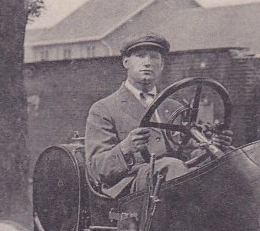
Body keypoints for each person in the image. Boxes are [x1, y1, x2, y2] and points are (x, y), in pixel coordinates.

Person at [85, 33, 232, 197]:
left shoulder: (174, 107)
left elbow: (191, 155)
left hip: (173, 180)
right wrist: (125, 147)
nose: (147, 63)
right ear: (126, 62)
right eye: (140, 56)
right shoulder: (103, 109)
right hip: (130, 186)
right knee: (171, 166)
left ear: (161, 65)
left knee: (231, 158)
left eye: (154, 57)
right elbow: (96, 170)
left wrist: (212, 147)